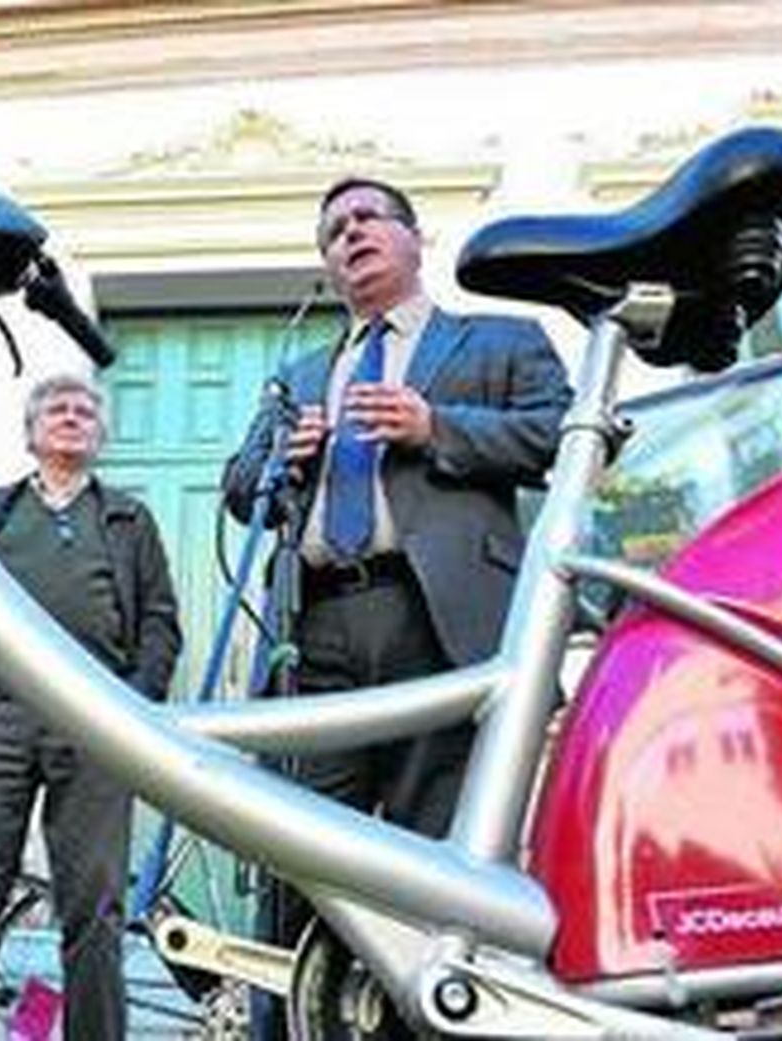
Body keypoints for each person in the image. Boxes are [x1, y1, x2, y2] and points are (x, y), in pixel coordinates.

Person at [222, 176, 571, 1023]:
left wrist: (435, 427)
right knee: (303, 855)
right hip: (315, 631)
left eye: (366, 218)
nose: (349, 234)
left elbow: (565, 437)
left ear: (415, 238)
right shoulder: (299, 373)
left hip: (438, 624)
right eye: (333, 231)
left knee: (433, 863)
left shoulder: (498, 340)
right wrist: (281, 461)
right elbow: (238, 488)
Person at [0, 373, 182, 1041]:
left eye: (85, 411)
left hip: (94, 720)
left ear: (100, 436)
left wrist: (135, 701)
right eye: (57, 410)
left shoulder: (129, 520)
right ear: (31, 434)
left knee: (95, 908)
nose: (72, 417)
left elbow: (161, 622)